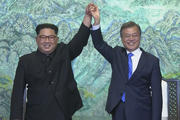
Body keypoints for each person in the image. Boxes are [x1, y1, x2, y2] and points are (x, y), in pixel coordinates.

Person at [10, 4, 93, 120]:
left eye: (51, 37)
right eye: (43, 37)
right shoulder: (25, 61)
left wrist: (88, 16)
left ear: (57, 39)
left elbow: (80, 39)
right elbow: (17, 94)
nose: (47, 41)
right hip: (35, 115)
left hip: (62, 114)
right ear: (37, 39)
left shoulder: (64, 52)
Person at [89, 4, 162, 120]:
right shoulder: (117, 54)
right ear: (122, 39)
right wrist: (97, 21)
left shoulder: (152, 61)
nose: (131, 39)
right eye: (127, 36)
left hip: (142, 112)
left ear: (140, 36)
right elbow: (99, 44)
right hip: (119, 110)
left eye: (134, 35)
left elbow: (157, 95)